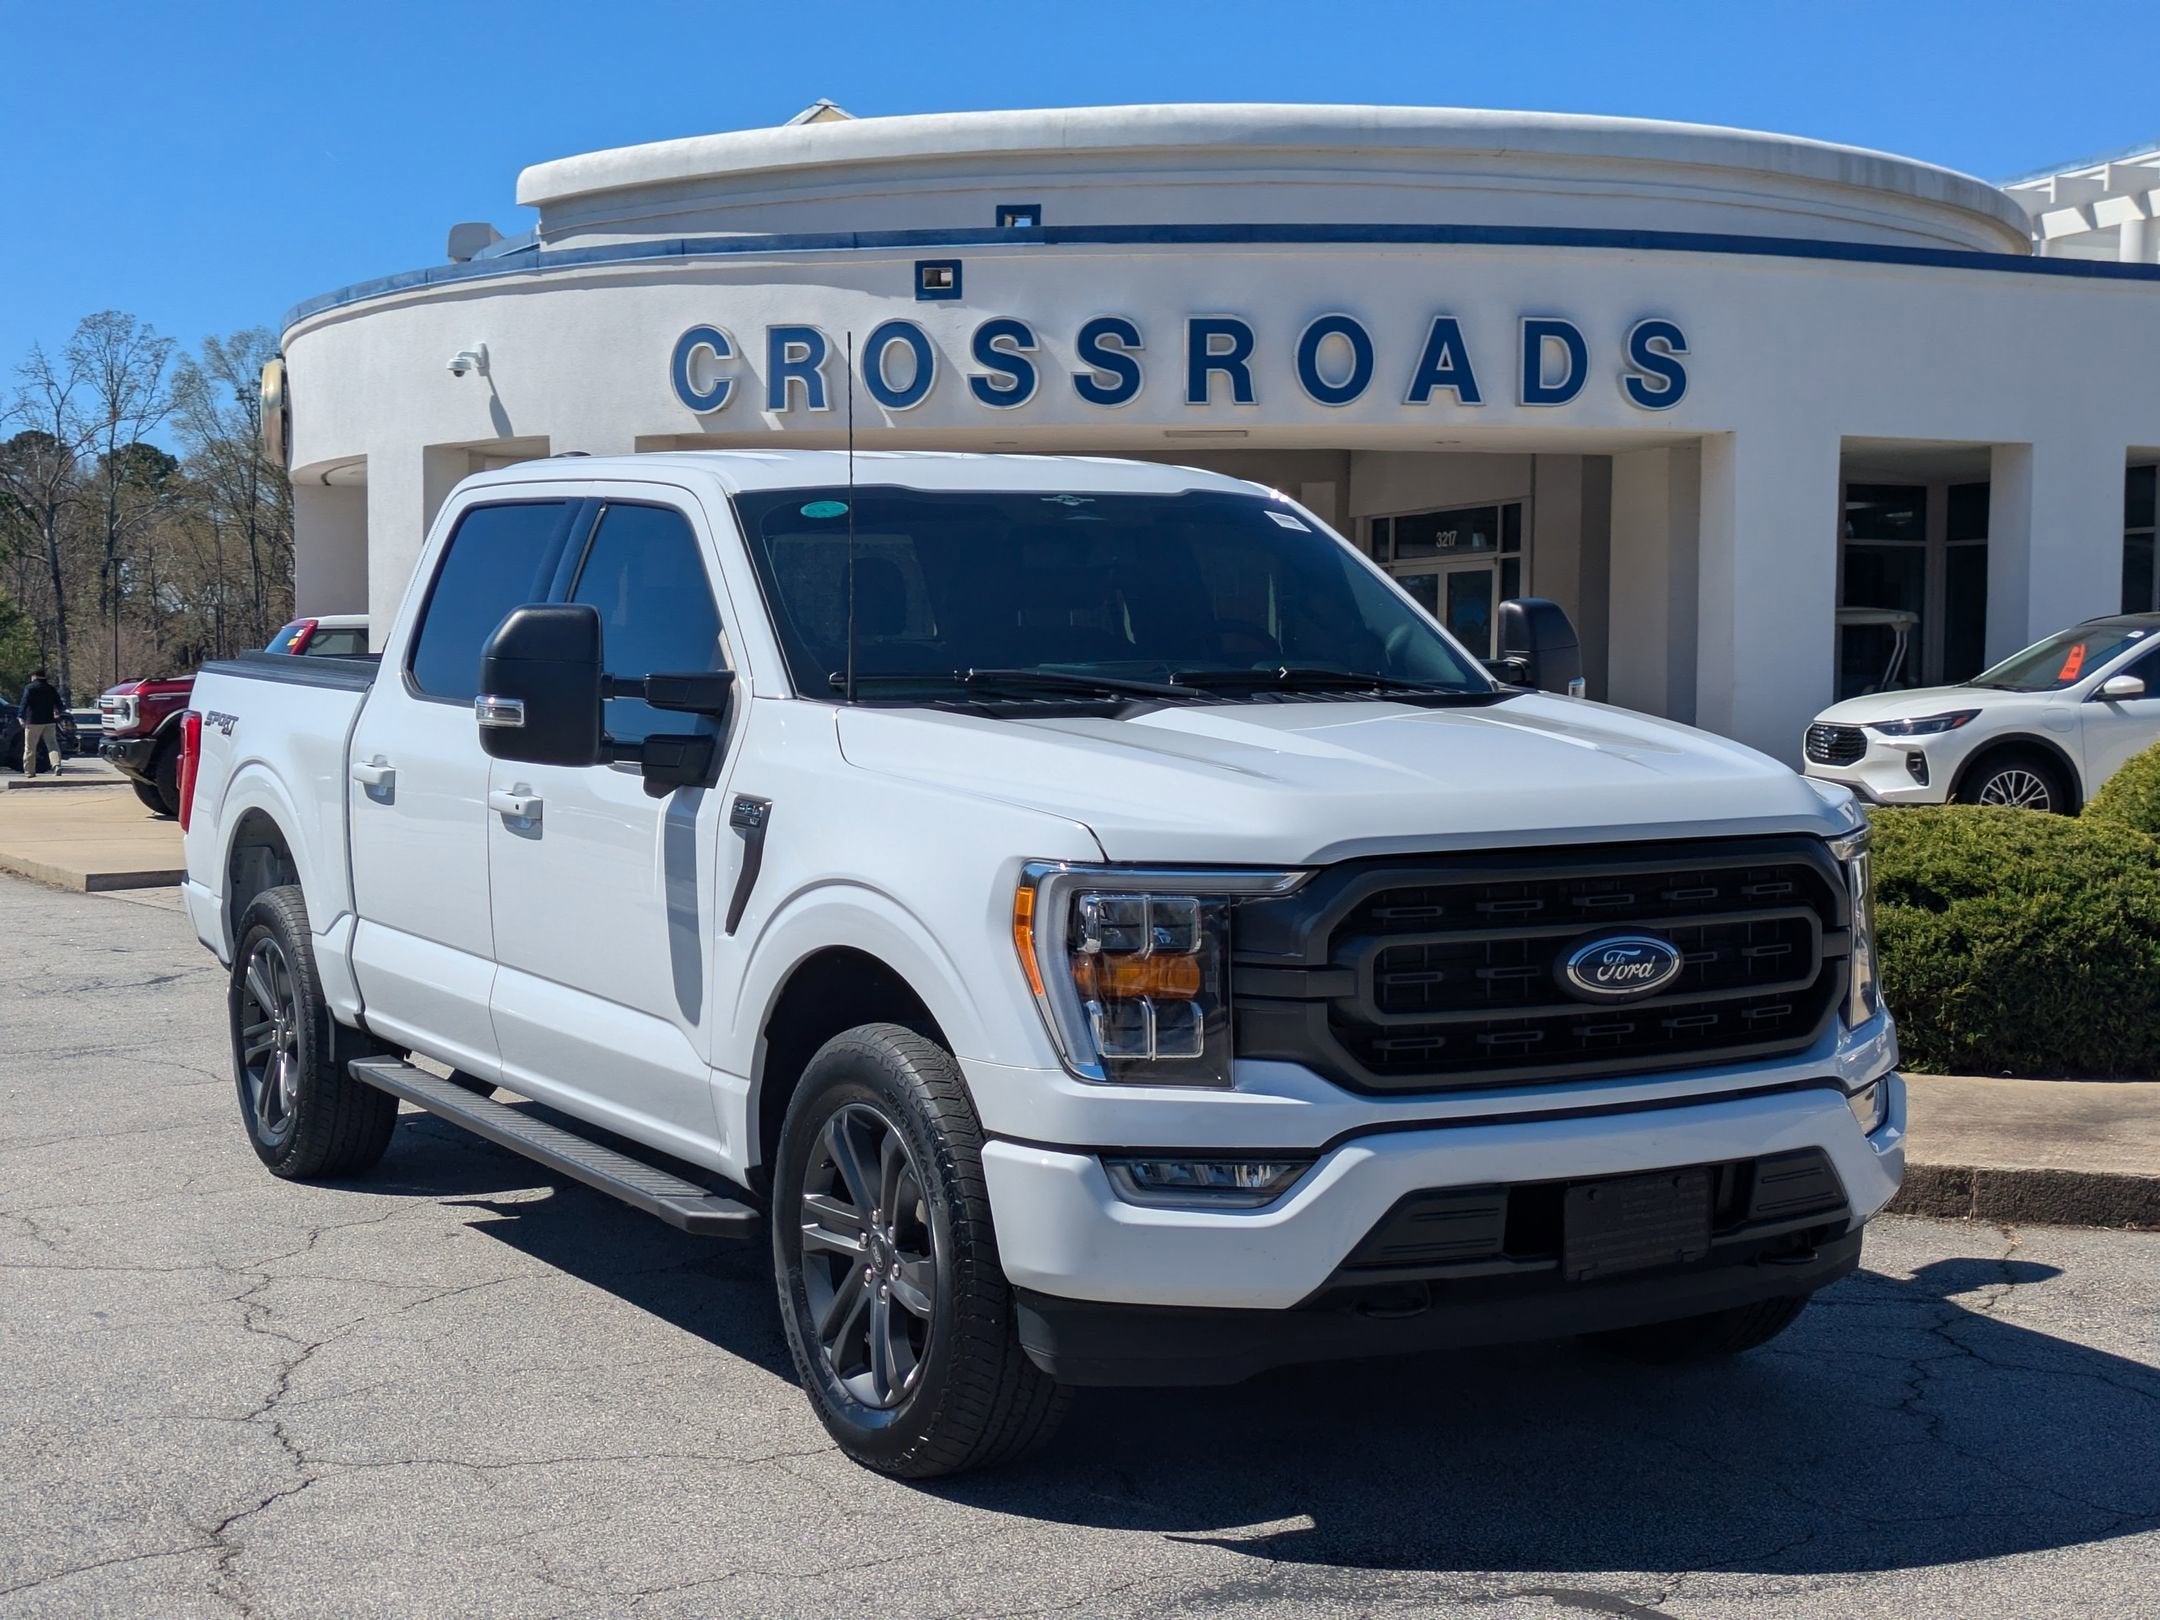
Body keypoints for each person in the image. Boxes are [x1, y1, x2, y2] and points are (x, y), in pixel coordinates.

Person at [18, 669, 62, 777]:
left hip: (33, 721)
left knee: (30, 747)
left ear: (35, 676)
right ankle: (56, 765)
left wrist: (20, 716)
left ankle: (29, 771)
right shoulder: (51, 688)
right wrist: (57, 712)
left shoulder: (30, 688)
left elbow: (24, 702)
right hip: (49, 721)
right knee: (52, 744)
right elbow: (59, 703)